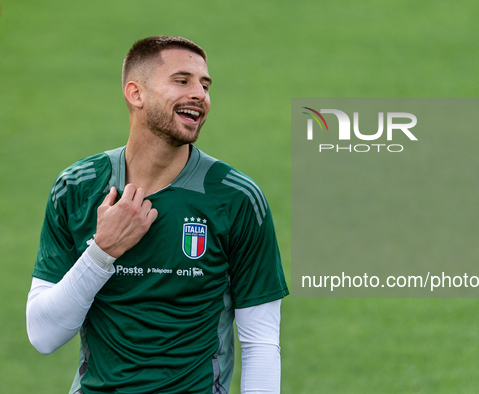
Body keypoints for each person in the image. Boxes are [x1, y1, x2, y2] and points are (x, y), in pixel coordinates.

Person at [26, 36, 289, 394]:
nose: (200, 94)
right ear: (136, 94)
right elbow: (43, 336)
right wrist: (102, 251)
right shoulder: (77, 188)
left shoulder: (236, 198)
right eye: (182, 81)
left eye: (205, 85)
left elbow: (260, 344)